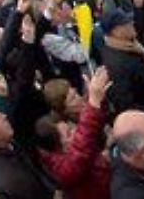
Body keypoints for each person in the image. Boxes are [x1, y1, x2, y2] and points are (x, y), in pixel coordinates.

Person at [35, 67, 112, 199]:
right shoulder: (65, 169)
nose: (75, 132)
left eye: (76, 93)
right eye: (69, 134)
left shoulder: (67, 122)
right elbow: (82, 149)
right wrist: (93, 104)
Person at [99, 8, 144, 120]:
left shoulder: (131, 45)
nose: (132, 23)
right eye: (126, 23)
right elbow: (127, 105)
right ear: (115, 31)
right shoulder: (117, 64)